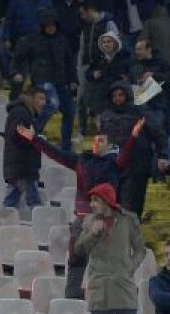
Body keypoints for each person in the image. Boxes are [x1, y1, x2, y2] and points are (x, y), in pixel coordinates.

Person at [18, 120, 140, 299]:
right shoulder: (82, 160)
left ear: (110, 146)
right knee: (76, 262)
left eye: (101, 141)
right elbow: (56, 153)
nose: (97, 143)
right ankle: (71, 299)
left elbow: (127, 154)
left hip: (106, 222)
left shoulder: (115, 163)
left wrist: (134, 136)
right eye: (95, 140)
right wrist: (34, 139)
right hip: (82, 219)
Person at [76, 182, 146, 314]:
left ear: (107, 201)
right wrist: (92, 234)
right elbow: (79, 249)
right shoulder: (89, 221)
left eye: (96, 200)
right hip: (99, 288)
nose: (92, 204)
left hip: (123, 286)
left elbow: (140, 250)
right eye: (91, 200)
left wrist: (130, 268)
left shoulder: (128, 220)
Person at [99, 80, 170, 219]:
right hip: (112, 168)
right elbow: (101, 139)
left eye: (121, 95)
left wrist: (164, 155)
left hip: (136, 167)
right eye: (114, 95)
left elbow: (158, 133)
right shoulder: (106, 115)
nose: (117, 98)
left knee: (130, 209)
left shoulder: (140, 111)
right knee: (113, 208)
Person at [11, 9, 76, 151]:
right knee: (52, 104)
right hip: (43, 81)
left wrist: (73, 80)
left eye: (53, 25)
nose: (51, 27)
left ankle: (66, 146)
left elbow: (69, 62)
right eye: (48, 25)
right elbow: (18, 57)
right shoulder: (33, 39)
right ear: (43, 26)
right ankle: (31, 133)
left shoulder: (62, 40)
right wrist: (16, 72)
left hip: (61, 82)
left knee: (70, 111)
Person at [2, 87, 46, 212]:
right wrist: (34, 138)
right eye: (40, 98)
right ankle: (42, 222)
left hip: (19, 167)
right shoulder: (21, 113)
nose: (44, 103)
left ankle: (0, 220)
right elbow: (17, 133)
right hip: (23, 167)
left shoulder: (24, 113)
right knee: (34, 203)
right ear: (31, 98)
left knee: (11, 202)